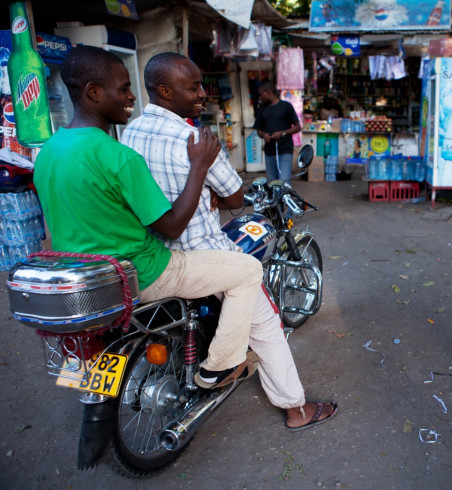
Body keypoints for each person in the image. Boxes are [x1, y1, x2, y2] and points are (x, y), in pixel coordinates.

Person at [34, 46, 335, 430]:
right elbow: (218, 205)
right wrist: (199, 169)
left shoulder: (59, 149)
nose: (130, 97)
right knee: (255, 295)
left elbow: (97, 208)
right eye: (193, 87)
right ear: (95, 92)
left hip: (92, 280)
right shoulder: (157, 146)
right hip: (152, 264)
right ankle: (279, 399)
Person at [121, 52, 337, 430]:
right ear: (166, 91)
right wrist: (215, 193)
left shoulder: (131, 131)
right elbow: (236, 198)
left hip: (155, 252)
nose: (203, 93)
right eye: (194, 87)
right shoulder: (195, 138)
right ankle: (295, 409)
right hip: (202, 252)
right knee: (266, 324)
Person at [254, 81, 301, 184]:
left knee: (283, 182)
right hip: (269, 152)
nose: (260, 98)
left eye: (262, 95)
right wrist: (263, 135)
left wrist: (283, 133)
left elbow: (298, 127)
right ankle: (275, 201)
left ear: (269, 92)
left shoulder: (286, 106)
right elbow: (259, 131)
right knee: (272, 183)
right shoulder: (262, 109)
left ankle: (284, 200)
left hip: (285, 150)